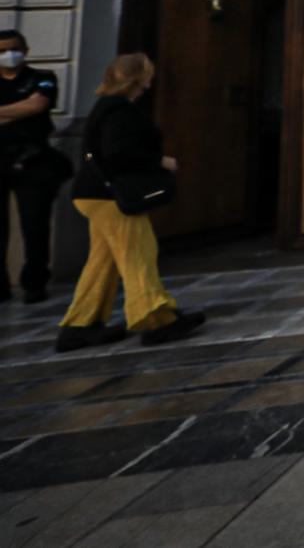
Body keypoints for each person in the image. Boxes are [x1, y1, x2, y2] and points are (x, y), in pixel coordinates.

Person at [56, 53, 205, 352]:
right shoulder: (119, 111)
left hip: (94, 194)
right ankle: (156, 319)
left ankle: (79, 326)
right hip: (109, 196)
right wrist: (159, 161)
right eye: (149, 74)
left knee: (103, 262)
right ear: (141, 79)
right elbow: (117, 153)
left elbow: (100, 153)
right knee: (138, 253)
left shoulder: (106, 106)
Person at [0, 29, 64, 303]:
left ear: (25, 50)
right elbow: (26, 107)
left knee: (35, 223)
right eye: (2, 50)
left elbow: (37, 105)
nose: (9, 55)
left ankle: (35, 282)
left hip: (32, 160)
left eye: (14, 49)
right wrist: (19, 109)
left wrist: (11, 111)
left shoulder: (42, 78)